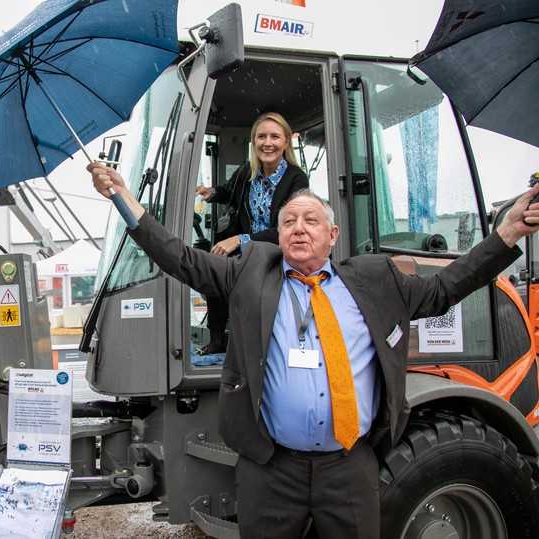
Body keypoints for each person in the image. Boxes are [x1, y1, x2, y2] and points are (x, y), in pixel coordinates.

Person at [88, 161, 538, 539]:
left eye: (310, 220)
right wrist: (124, 200)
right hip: (271, 470)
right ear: (277, 234)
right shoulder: (249, 274)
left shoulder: (376, 281)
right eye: (288, 221)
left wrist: (507, 235)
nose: (298, 229)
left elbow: (446, 287)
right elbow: (181, 259)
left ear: (332, 234)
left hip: (350, 468)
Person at [195, 112, 309, 354]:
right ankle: (218, 340)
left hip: (278, 250)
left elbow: (289, 227)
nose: (268, 143)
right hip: (247, 249)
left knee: (249, 284)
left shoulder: (296, 179)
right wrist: (211, 192)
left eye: (275, 137)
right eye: (262, 136)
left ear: (286, 142)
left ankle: (255, 346)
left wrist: (239, 239)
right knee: (214, 267)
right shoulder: (247, 172)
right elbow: (228, 191)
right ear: (254, 141)